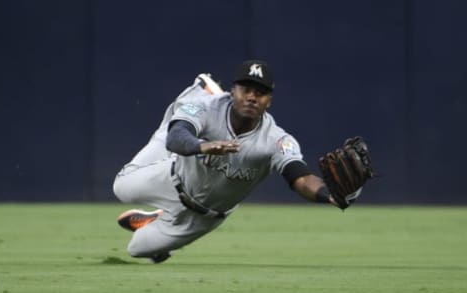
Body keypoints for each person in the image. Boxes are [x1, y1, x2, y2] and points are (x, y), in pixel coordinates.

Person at [113, 60, 337, 263]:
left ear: (269, 101)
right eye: (246, 90)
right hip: (171, 177)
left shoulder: (276, 139)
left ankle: (157, 219)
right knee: (122, 187)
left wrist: (329, 195)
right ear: (232, 91)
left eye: (260, 93)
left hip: (205, 216)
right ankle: (199, 97)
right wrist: (201, 145)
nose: (251, 97)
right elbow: (177, 138)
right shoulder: (207, 107)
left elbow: (300, 177)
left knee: (137, 249)